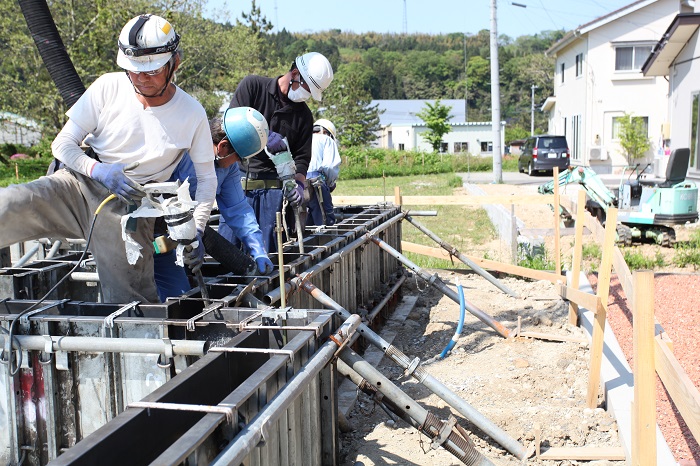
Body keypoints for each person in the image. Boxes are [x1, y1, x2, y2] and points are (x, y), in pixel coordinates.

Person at [0, 14, 216, 304]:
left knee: (130, 302)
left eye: (151, 71)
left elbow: (206, 179)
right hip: (78, 186)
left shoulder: (191, 113)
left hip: (130, 210)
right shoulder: (108, 87)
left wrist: (197, 230)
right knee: (12, 203)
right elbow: (62, 145)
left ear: (174, 63)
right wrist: (98, 170)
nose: (142, 78)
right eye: (134, 71)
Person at [154, 108, 275, 301]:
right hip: (152, 232)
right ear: (223, 147)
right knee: (174, 297)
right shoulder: (179, 151)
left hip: (187, 236)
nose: (239, 162)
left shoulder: (228, 169)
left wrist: (257, 249)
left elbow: (238, 210)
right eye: (239, 157)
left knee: (183, 295)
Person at [227, 52, 334, 252]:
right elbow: (231, 125)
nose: (306, 96)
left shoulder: (303, 116)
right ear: (295, 74)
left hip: (273, 194)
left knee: (267, 254)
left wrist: (300, 185)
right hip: (238, 186)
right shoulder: (253, 87)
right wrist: (262, 136)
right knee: (227, 251)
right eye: (307, 89)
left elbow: (302, 157)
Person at [307, 119, 341, 226]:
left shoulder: (303, 139)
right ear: (327, 132)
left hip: (299, 183)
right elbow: (330, 166)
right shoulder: (326, 140)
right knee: (325, 220)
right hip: (317, 182)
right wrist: (330, 183)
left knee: (305, 220)